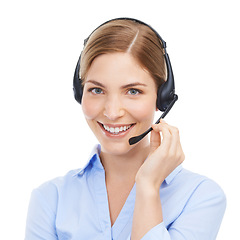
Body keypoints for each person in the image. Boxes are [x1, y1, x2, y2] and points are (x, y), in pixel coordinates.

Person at [25, 18, 226, 240]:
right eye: (96, 90)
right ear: (79, 92)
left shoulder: (200, 196)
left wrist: (148, 187)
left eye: (132, 91)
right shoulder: (50, 199)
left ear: (162, 97)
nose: (112, 112)